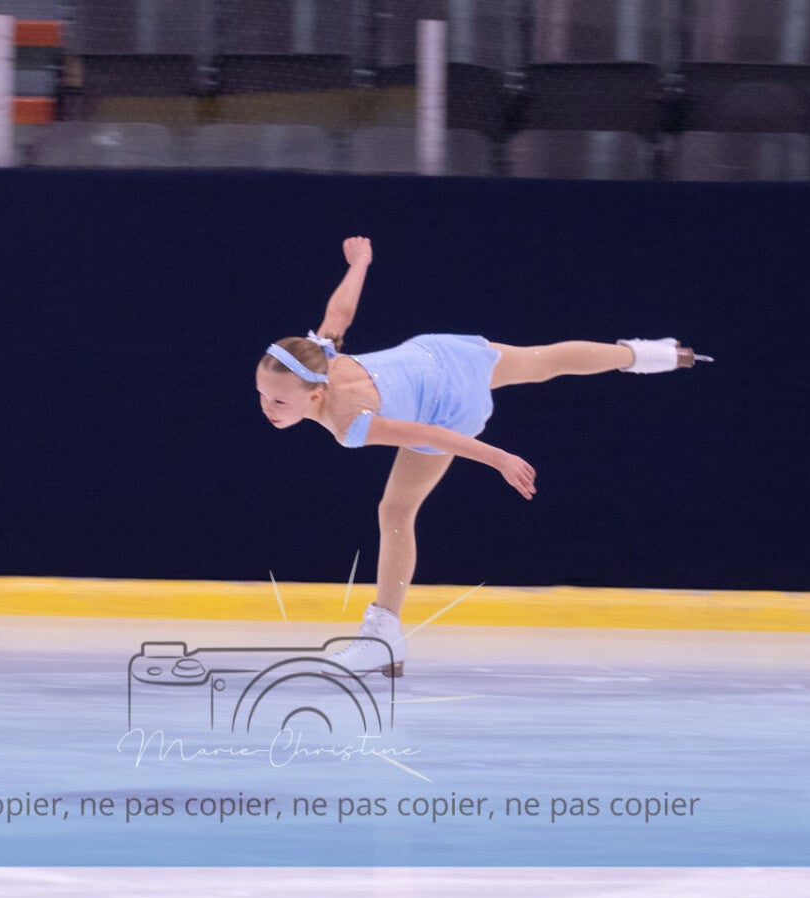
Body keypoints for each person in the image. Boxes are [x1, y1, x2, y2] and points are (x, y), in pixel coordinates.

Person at [255, 236, 712, 677]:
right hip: (441, 355)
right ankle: (650, 355)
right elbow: (339, 313)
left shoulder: (348, 423)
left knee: (396, 511)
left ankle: (383, 634)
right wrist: (360, 263)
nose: (266, 408)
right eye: (261, 395)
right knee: (544, 361)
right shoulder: (321, 357)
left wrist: (499, 458)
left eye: (278, 401)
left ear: (315, 396)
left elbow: (429, 433)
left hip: (448, 406)